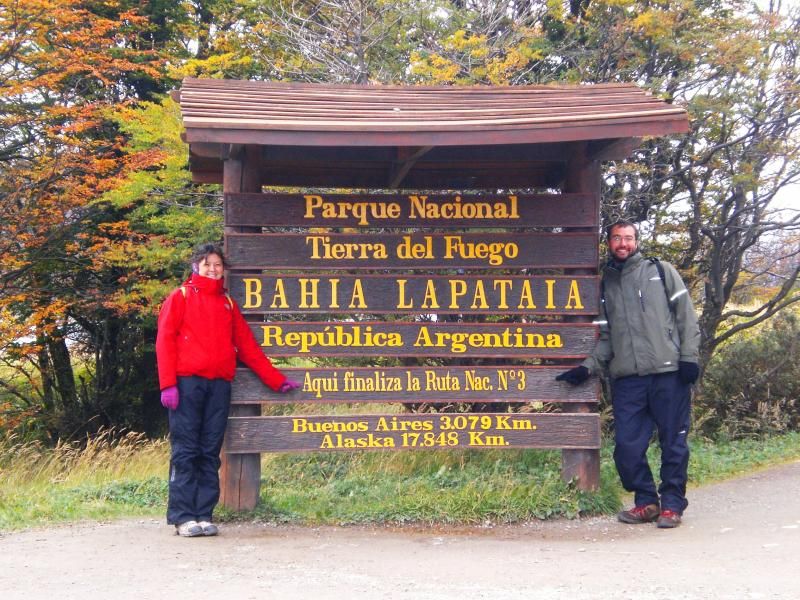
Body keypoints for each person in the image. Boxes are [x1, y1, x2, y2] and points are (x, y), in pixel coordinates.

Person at [556, 220, 700, 529]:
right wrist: (586, 368)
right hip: (628, 379)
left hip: (669, 373)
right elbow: (606, 338)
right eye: (617, 238)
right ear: (608, 242)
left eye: (629, 238)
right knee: (627, 446)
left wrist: (689, 358)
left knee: (673, 442)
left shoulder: (661, 271)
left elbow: (686, 317)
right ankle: (646, 501)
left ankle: (672, 505)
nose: (623, 243)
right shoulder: (605, 284)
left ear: (637, 241)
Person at [156, 243, 299, 537]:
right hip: (187, 384)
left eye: (217, 264)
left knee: (210, 451)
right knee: (186, 451)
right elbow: (164, 341)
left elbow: (247, 346)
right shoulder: (180, 297)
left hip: (219, 385)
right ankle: (183, 517)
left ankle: (203, 514)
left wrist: (275, 379)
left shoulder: (227, 303)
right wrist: (168, 384)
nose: (213, 269)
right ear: (196, 266)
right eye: (207, 263)